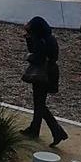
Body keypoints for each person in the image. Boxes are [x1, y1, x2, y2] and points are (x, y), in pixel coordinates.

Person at [22, 16, 68, 146]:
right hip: (50, 73)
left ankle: (56, 131)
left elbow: (37, 56)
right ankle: (36, 129)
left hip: (43, 74)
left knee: (39, 104)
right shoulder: (49, 38)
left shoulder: (41, 41)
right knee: (39, 103)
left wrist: (29, 57)